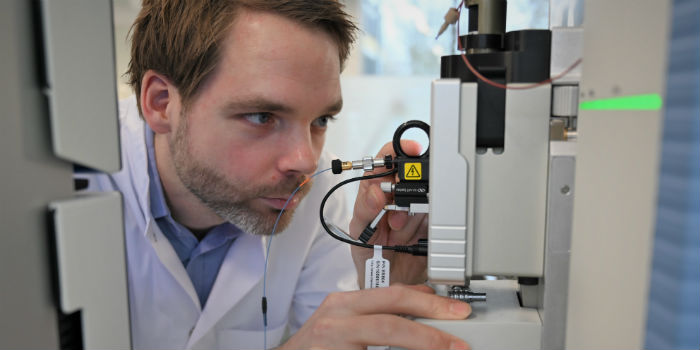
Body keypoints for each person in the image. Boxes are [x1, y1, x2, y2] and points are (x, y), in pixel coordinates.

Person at [86, 0, 472, 348]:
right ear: (161, 103)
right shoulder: (75, 183)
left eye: (321, 119)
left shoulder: (323, 197)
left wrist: (388, 290)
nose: (305, 160)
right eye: (261, 117)